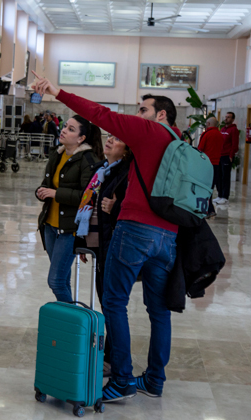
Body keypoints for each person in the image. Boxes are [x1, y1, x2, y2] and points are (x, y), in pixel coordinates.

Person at [34, 73, 179, 403]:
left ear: (160, 115)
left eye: (142, 109)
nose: (137, 115)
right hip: (167, 235)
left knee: (114, 302)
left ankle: (123, 378)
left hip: (137, 230)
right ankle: (154, 379)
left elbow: (101, 114)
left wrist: (57, 91)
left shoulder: (149, 132)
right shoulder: (178, 140)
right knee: (158, 310)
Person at [75, 134, 133, 376]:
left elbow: (129, 208)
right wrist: (83, 240)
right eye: (109, 136)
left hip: (114, 245)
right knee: (105, 299)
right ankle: (108, 355)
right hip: (98, 243)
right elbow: (88, 203)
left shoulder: (126, 174)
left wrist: (116, 207)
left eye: (118, 139)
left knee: (111, 304)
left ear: (127, 151)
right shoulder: (102, 169)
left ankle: (113, 360)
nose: (110, 140)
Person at [35, 115, 102, 302]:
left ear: (81, 138)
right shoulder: (58, 154)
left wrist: (55, 194)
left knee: (55, 281)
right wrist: (41, 191)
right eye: (65, 126)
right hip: (49, 225)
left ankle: (72, 321)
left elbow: (87, 197)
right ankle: (68, 326)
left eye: (71, 129)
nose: (64, 130)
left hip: (69, 229)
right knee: (62, 279)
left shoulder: (88, 159)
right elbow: (47, 184)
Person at [197, 117, 224, 217]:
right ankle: (210, 209)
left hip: (206, 164)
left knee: (204, 187)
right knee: (211, 187)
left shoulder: (207, 134)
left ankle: (207, 210)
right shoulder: (220, 135)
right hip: (216, 164)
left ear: (208, 123)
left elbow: (200, 148)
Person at [217, 112, 240, 204]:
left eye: (228, 117)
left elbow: (235, 144)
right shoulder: (222, 129)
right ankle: (220, 195)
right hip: (220, 155)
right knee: (219, 176)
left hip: (227, 156)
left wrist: (231, 155)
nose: (226, 119)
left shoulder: (234, 130)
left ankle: (225, 196)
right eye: (226, 117)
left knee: (225, 177)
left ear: (233, 119)